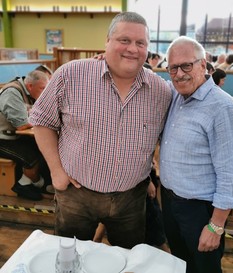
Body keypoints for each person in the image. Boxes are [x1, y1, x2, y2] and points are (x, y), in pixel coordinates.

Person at [29, 11, 172, 249]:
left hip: (131, 199)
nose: (132, 49)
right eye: (124, 40)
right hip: (77, 194)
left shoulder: (160, 91)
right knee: (70, 255)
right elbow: (41, 121)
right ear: (107, 41)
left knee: (127, 258)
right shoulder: (71, 74)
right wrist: (56, 172)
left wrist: (149, 175)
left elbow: (161, 138)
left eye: (140, 43)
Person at [159, 36, 233, 273]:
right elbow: (147, 80)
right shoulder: (175, 94)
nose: (179, 74)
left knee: (204, 268)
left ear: (203, 65)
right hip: (170, 201)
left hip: (200, 210)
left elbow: (230, 174)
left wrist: (216, 226)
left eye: (187, 65)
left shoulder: (222, 107)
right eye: (173, 68)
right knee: (181, 263)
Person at [0, 70, 50, 200]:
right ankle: (30, 184)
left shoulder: (29, 92)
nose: (45, 92)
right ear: (30, 86)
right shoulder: (12, 92)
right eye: (42, 88)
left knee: (44, 147)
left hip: (13, 136)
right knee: (31, 158)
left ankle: (29, 183)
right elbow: (21, 125)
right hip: (3, 139)